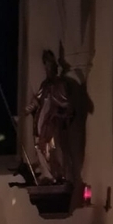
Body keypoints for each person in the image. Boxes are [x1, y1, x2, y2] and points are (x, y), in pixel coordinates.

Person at [26, 50, 74, 183]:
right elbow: (37, 99)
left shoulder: (60, 84)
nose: (47, 70)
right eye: (46, 66)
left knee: (53, 147)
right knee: (39, 146)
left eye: (50, 66)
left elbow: (67, 104)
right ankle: (46, 173)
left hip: (53, 121)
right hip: (42, 120)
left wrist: (60, 113)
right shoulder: (44, 84)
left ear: (54, 67)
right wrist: (28, 109)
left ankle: (57, 174)